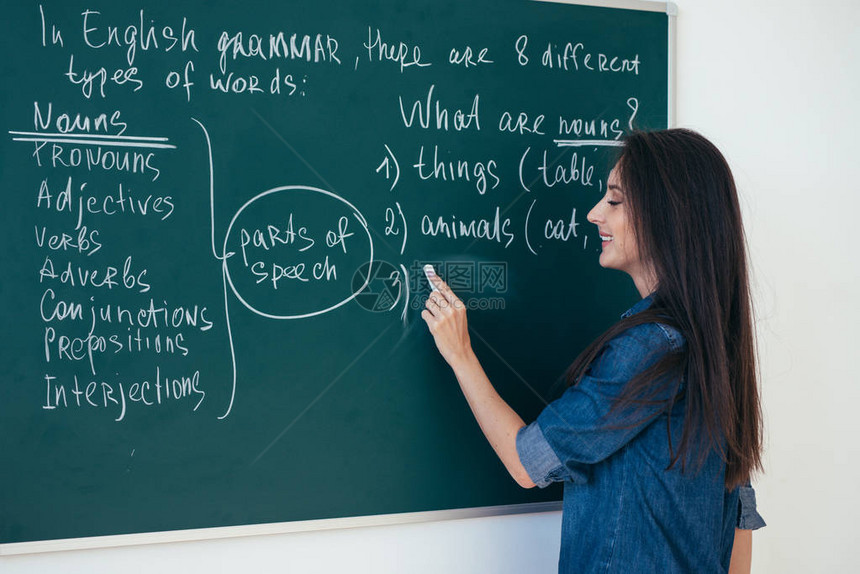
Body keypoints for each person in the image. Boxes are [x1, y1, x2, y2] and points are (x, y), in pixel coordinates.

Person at [420, 129, 766, 573]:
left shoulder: (647, 348)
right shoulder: (716, 345)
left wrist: (461, 353)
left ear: (667, 216)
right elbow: (739, 511)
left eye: (615, 201)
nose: (593, 213)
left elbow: (527, 462)